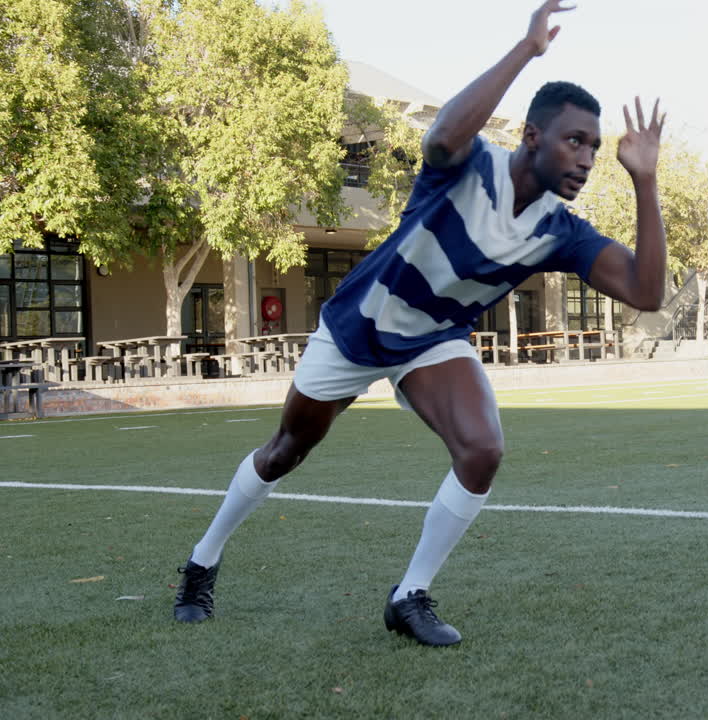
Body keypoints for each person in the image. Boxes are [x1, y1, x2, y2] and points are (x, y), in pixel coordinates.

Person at [172, 0, 667, 647]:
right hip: (361, 326)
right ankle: (201, 562)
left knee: (482, 448)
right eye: (575, 140)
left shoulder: (558, 231)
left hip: (433, 342)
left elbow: (646, 292)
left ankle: (409, 595)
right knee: (286, 451)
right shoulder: (466, 163)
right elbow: (439, 138)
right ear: (532, 137)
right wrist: (527, 50)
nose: (586, 158)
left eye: (595, 149)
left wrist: (646, 183)